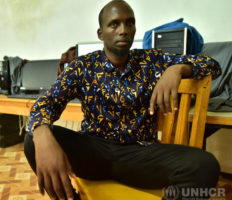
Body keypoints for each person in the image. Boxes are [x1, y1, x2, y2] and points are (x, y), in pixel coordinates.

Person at [24, 0, 222, 199]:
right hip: (94, 152)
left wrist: (177, 69)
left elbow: (212, 65)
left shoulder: (151, 61)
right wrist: (42, 134)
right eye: (114, 24)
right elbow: (46, 103)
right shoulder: (82, 66)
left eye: (130, 23)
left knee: (204, 165)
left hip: (140, 155)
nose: (123, 30)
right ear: (101, 34)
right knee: (33, 140)